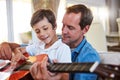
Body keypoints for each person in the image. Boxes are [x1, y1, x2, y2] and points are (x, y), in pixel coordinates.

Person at [0, 4, 100, 80]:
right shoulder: (48, 42)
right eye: (63, 25)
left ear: (85, 29)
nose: (63, 31)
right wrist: (6, 44)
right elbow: (21, 48)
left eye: (70, 27)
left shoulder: (90, 57)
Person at [0, 9, 71, 79]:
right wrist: (18, 54)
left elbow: (66, 76)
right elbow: (18, 49)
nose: (42, 34)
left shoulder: (63, 48)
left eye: (45, 28)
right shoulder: (38, 45)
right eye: (37, 31)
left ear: (54, 26)